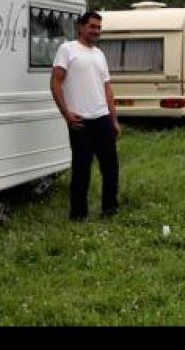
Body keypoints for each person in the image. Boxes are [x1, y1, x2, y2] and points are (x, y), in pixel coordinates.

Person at [50, 12, 121, 222]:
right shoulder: (67, 50)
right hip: (80, 121)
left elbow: (107, 89)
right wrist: (66, 114)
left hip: (102, 118)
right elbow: (55, 83)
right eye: (92, 26)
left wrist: (114, 120)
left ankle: (110, 209)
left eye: (99, 27)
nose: (96, 31)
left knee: (111, 168)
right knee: (81, 170)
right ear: (80, 27)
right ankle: (78, 215)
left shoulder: (99, 54)